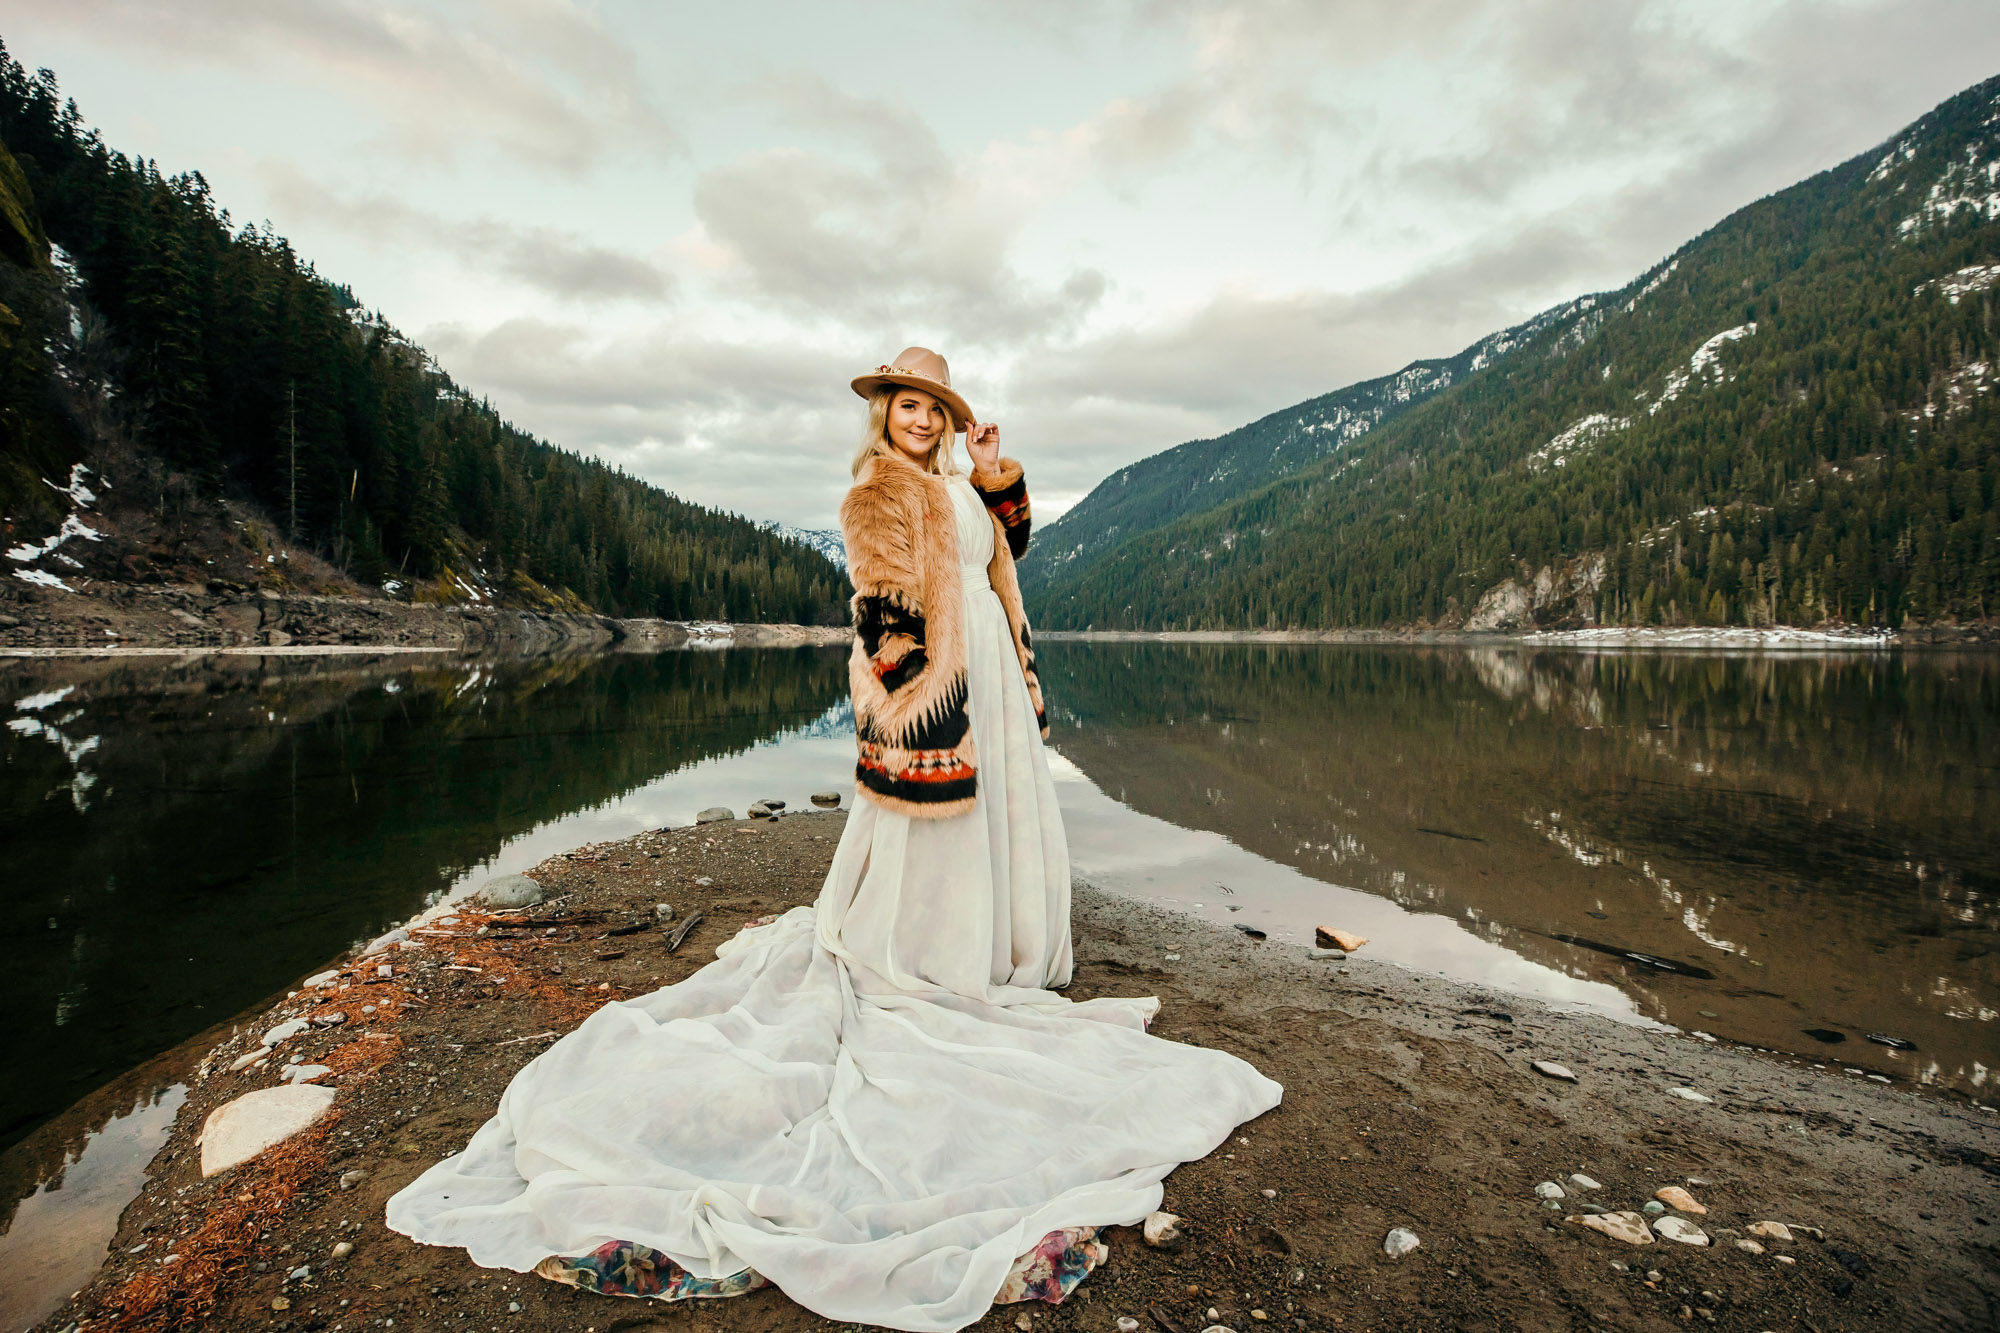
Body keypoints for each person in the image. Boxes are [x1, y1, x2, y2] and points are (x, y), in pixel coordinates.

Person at [384, 346, 1283, 1333]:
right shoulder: (877, 490)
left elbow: (1004, 556)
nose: (919, 420)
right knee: (927, 832)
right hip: (938, 677)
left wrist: (995, 472)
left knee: (1003, 821)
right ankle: (933, 953)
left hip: (990, 661)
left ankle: (999, 950)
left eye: (934, 409)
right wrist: (906, 713)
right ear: (885, 414)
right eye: (906, 406)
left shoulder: (958, 482)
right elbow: (881, 609)